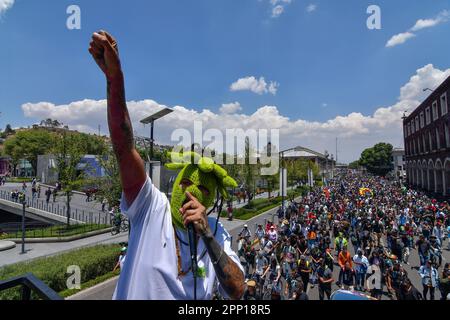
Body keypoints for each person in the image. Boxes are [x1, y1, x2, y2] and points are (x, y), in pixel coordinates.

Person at [89, 30, 244, 300]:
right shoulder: (151, 207)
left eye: (202, 193)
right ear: (175, 183)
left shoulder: (216, 232)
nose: (190, 195)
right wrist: (115, 78)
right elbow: (124, 147)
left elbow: (237, 290)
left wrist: (207, 234)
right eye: (185, 184)